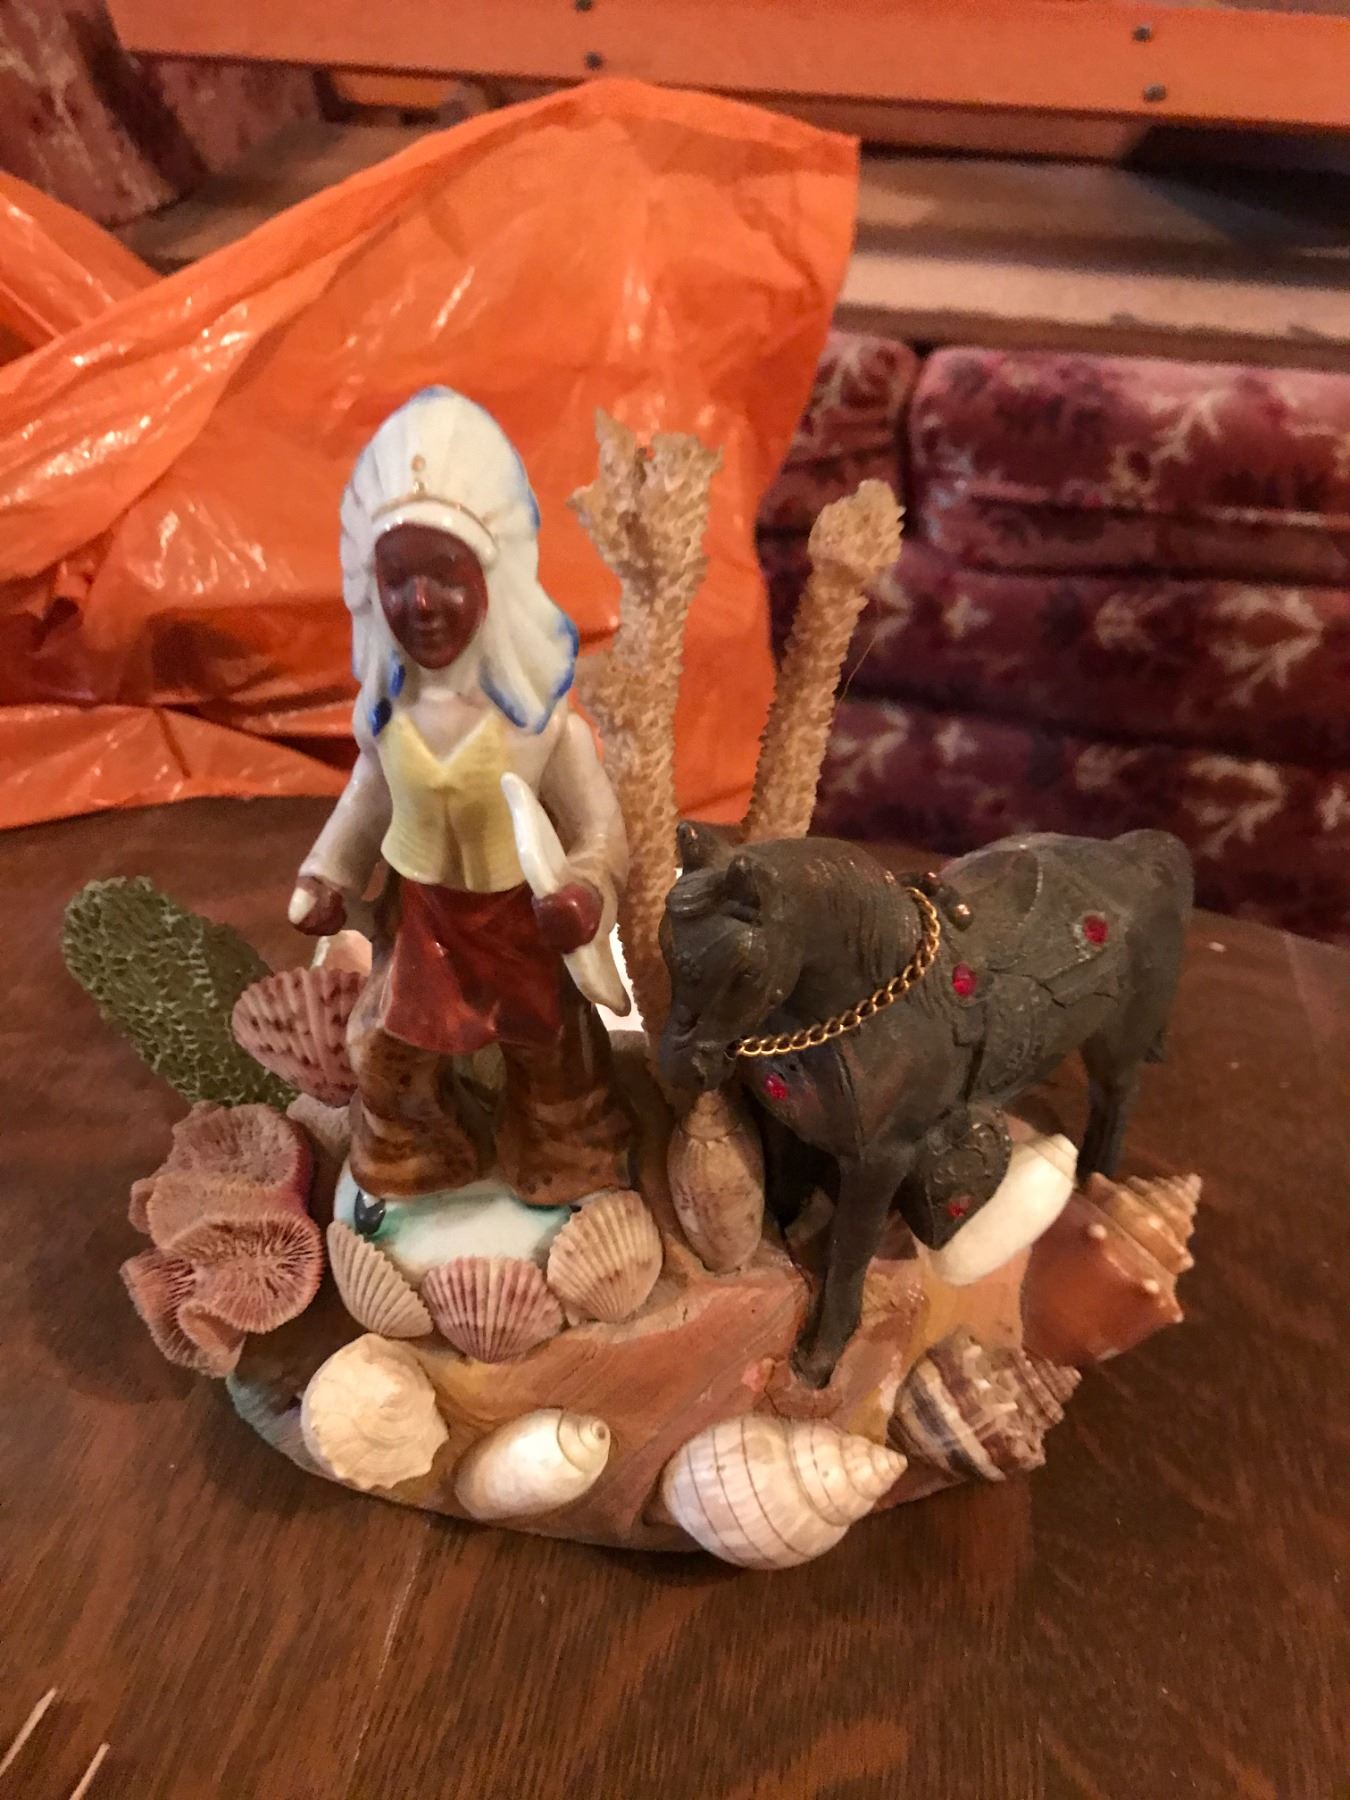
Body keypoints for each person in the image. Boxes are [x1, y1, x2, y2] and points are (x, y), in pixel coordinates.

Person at [290, 388, 632, 1205]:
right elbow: (366, 800)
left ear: (493, 578)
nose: (420, 602)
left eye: (445, 574)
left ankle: (562, 1153)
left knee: (553, 1057)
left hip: (519, 922)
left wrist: (586, 893)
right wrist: (326, 876)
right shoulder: (391, 715)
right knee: (387, 1054)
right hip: (424, 919)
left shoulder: (540, 726)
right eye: (397, 577)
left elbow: (601, 831)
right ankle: (416, 1153)